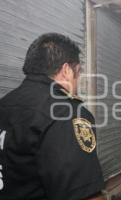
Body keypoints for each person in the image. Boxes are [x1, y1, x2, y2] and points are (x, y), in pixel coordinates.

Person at [0, 33, 105, 200]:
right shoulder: (66, 113)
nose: (78, 81)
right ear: (66, 71)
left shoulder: (5, 103)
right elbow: (84, 194)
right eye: (78, 73)